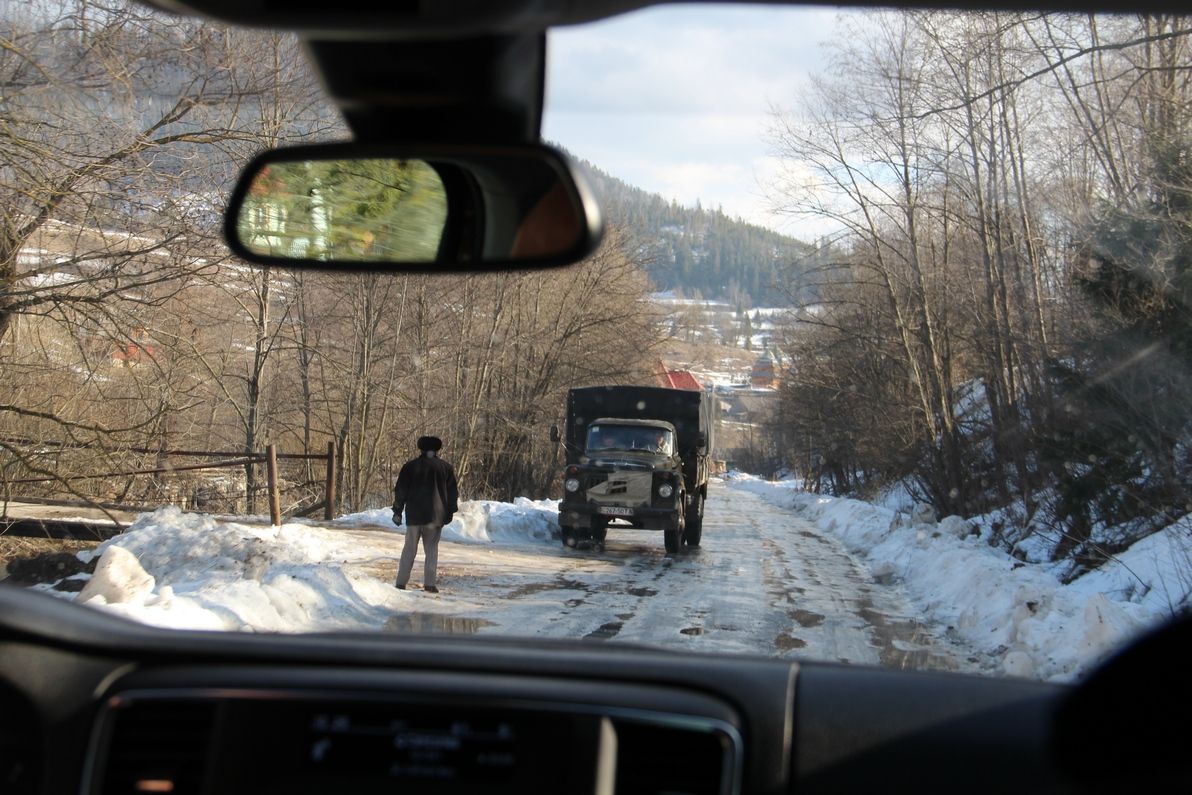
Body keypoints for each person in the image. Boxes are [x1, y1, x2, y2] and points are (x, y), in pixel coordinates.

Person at [392, 435, 458, 594]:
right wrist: (449, 512)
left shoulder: (409, 467)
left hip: (414, 515)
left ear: (420, 449)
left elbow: (401, 490)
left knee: (409, 549)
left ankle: (401, 583)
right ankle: (429, 584)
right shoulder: (445, 468)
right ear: (436, 450)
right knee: (431, 550)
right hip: (435, 517)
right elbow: (452, 493)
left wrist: (398, 510)